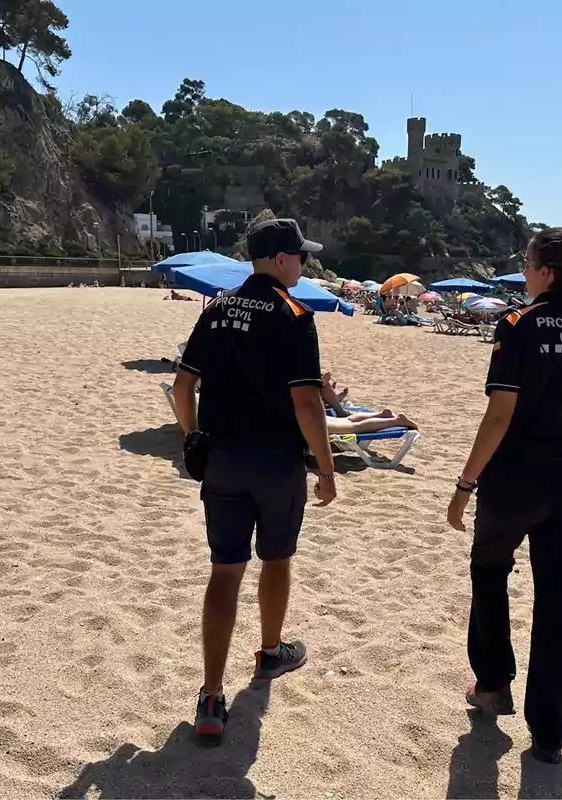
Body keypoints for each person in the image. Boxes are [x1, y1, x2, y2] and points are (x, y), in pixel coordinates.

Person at [447, 226, 562, 765]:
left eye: (528, 264)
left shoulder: (517, 323)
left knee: (489, 570)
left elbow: (501, 414)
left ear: (546, 272)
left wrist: (464, 484)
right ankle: (550, 735)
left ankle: (492, 685)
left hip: (516, 481)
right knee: (559, 605)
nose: (524, 273)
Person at [171, 218, 335, 740]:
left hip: (221, 458)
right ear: (283, 259)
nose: (303, 266)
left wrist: (193, 435)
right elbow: (307, 402)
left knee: (225, 571)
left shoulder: (216, 309)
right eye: (301, 258)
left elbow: (182, 386)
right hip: (275, 462)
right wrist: (327, 468)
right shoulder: (293, 315)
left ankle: (212, 695)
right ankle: (269, 653)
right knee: (276, 558)